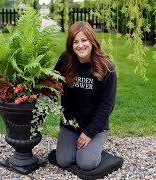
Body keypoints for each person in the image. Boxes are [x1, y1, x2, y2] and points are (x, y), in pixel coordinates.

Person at [54, 21, 117, 171]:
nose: (80, 45)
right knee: (63, 160)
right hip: (70, 123)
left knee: (86, 163)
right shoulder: (65, 60)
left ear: (92, 41)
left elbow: (107, 105)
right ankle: (77, 146)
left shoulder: (106, 67)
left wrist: (89, 133)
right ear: (70, 45)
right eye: (75, 42)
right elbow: (51, 82)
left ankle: (93, 148)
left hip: (94, 125)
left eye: (84, 40)